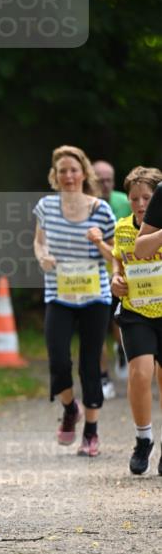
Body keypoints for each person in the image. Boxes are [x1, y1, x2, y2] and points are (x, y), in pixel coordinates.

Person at [33, 146, 116, 457]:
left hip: (95, 296)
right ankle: (70, 409)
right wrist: (43, 258)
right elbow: (39, 243)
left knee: (90, 362)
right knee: (57, 358)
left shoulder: (101, 211)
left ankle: (91, 432)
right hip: (59, 294)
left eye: (73, 170)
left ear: (84, 173)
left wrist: (99, 241)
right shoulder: (46, 207)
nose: (68, 176)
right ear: (55, 176)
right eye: (62, 171)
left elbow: (114, 257)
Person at [110, 167, 162, 475]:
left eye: (146, 198)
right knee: (141, 373)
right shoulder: (123, 228)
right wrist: (116, 279)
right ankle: (144, 439)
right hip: (136, 309)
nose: (141, 204)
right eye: (134, 199)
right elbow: (119, 261)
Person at [93, 159, 130, 393]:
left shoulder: (126, 202)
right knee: (96, 328)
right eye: (100, 180)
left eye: (109, 180)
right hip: (93, 275)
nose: (105, 185)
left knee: (119, 323)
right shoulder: (85, 204)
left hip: (120, 274)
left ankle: (121, 348)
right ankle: (103, 377)